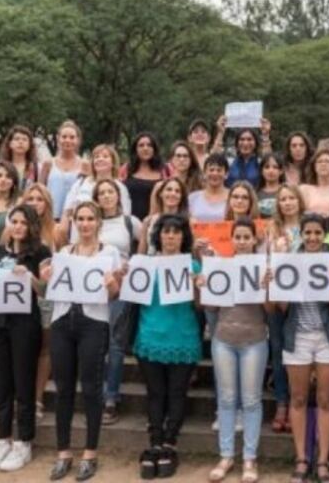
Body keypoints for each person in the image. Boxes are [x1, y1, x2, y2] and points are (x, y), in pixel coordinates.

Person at [39, 201, 125, 481]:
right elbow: (48, 290)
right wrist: (46, 279)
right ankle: (63, 451)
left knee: (91, 388)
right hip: (64, 321)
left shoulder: (109, 252)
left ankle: (90, 452)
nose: (85, 224)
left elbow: (114, 295)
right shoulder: (64, 252)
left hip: (94, 323)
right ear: (74, 222)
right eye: (81, 219)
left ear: (99, 222)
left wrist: (112, 284)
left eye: (90, 218)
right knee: (63, 388)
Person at [201, 218, 277, 483]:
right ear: (231, 239)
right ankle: (225, 455)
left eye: (247, 237)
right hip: (223, 338)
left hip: (254, 340)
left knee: (252, 400)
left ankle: (249, 458)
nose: (243, 241)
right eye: (238, 237)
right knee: (226, 398)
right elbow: (209, 308)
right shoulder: (220, 267)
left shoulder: (263, 268)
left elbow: (270, 311)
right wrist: (203, 285)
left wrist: (268, 287)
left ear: (255, 240)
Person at [130, 214, 202, 479]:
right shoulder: (144, 264)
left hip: (183, 337)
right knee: (155, 393)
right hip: (150, 336)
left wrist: (198, 287)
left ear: (184, 237)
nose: (171, 236)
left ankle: (170, 443)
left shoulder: (193, 265)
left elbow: (201, 306)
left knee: (177, 393)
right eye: (166, 231)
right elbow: (134, 297)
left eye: (176, 232)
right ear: (158, 235)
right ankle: (155, 443)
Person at [277, 214, 329, 483]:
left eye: (318, 232)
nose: (313, 237)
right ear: (301, 234)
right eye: (308, 232)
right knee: (297, 399)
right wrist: (276, 284)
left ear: (324, 235)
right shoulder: (291, 263)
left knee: (326, 400)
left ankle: (322, 461)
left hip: (328, 337)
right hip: (297, 337)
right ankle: (301, 459)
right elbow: (282, 309)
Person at [0, 206, 52, 472]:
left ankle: (24, 441)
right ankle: (3, 439)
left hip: (25, 323)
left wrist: (31, 277)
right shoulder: (1, 251)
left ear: (32, 226)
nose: (19, 226)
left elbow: (47, 289)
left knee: (23, 383)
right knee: (1, 383)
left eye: (24, 222)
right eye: (15, 221)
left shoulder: (41, 252)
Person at [92, 179, 142, 427]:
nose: (106, 196)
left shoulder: (129, 222)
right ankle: (95, 395)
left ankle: (111, 397)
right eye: (101, 193)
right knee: (94, 343)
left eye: (110, 191)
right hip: (92, 289)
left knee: (115, 343)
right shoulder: (89, 221)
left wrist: (130, 268)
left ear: (118, 196)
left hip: (120, 289)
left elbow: (144, 250)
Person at [15, 183, 64, 420]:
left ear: (47, 203)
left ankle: (37, 398)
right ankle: (21, 396)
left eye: (40, 199)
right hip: (18, 298)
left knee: (45, 347)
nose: (35, 202)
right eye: (30, 198)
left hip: (48, 297)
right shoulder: (15, 228)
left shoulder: (56, 231)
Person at [266, 185, 306, 435]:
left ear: (299, 201)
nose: (288, 202)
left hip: (304, 298)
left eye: (292, 198)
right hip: (277, 295)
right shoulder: (271, 229)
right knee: (279, 350)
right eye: (283, 199)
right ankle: (282, 402)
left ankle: (296, 403)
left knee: (299, 352)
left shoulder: (309, 226)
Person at [64, 144, 132, 223]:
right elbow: (67, 210)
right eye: (96, 157)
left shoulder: (120, 187)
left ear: (113, 162)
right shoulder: (81, 183)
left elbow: (126, 215)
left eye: (105, 156)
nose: (100, 159)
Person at [41, 120, 90, 219]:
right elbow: (41, 190)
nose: (68, 140)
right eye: (64, 137)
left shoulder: (85, 164)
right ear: (58, 138)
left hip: (76, 217)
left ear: (78, 140)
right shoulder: (48, 164)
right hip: (51, 217)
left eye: (72, 137)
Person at [121, 132, 167, 221]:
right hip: (130, 222)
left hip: (156, 223)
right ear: (135, 149)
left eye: (149, 145)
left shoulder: (165, 171)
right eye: (141, 145)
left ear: (154, 149)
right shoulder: (126, 170)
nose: (145, 148)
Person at [139, 178, 189, 254]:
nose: (173, 194)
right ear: (160, 194)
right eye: (169, 189)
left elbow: (192, 250)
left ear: (181, 197)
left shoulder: (188, 221)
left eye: (177, 191)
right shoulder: (148, 221)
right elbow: (141, 253)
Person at [0, 125, 40, 191]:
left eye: (25, 139)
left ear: (30, 145)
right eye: (16, 139)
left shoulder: (37, 167)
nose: (20, 142)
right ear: (10, 143)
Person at [189, 154, 231, 224]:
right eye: (211, 170)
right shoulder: (192, 198)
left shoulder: (233, 197)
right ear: (204, 174)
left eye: (219, 170)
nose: (215, 173)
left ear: (226, 174)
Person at [300, 149, 329, 218]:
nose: (323, 164)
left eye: (327, 161)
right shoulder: (304, 189)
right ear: (314, 166)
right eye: (319, 162)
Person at [257, 153, 286, 220]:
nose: (271, 171)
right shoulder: (255, 193)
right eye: (267, 167)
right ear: (261, 171)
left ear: (281, 171)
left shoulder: (288, 191)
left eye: (275, 167)